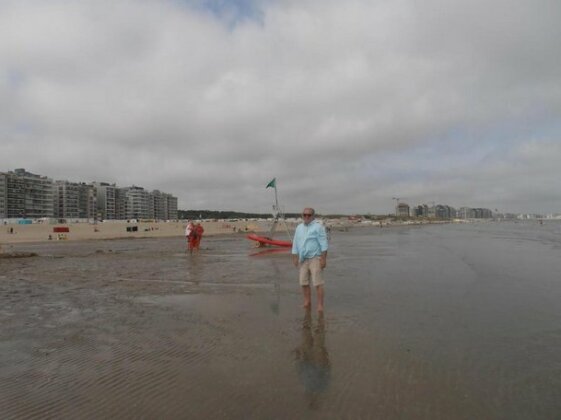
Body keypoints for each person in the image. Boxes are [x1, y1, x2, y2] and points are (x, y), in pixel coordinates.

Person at [292, 208, 329, 312]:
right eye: (305, 215)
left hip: (315, 259)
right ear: (302, 215)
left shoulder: (318, 227)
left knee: (318, 283)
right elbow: (295, 242)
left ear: (313, 216)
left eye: (309, 215)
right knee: (303, 282)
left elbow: (324, 244)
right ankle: (307, 302)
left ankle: (320, 305)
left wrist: (323, 259)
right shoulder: (299, 227)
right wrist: (294, 256)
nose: (306, 217)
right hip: (303, 259)